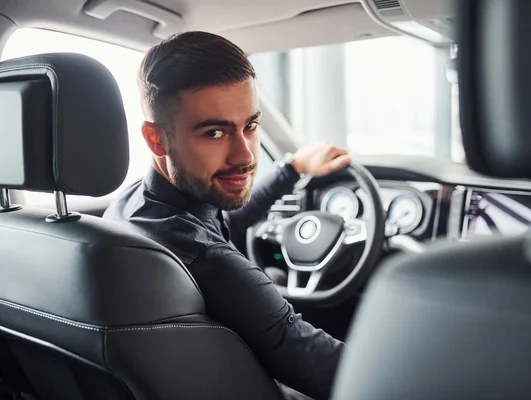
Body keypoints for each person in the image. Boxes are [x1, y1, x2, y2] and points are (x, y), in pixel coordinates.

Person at [103, 31, 351, 400]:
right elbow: (324, 368)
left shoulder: (134, 207)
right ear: (156, 139)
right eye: (215, 132)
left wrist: (292, 169)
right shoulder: (207, 260)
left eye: (250, 126)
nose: (246, 156)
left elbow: (221, 220)